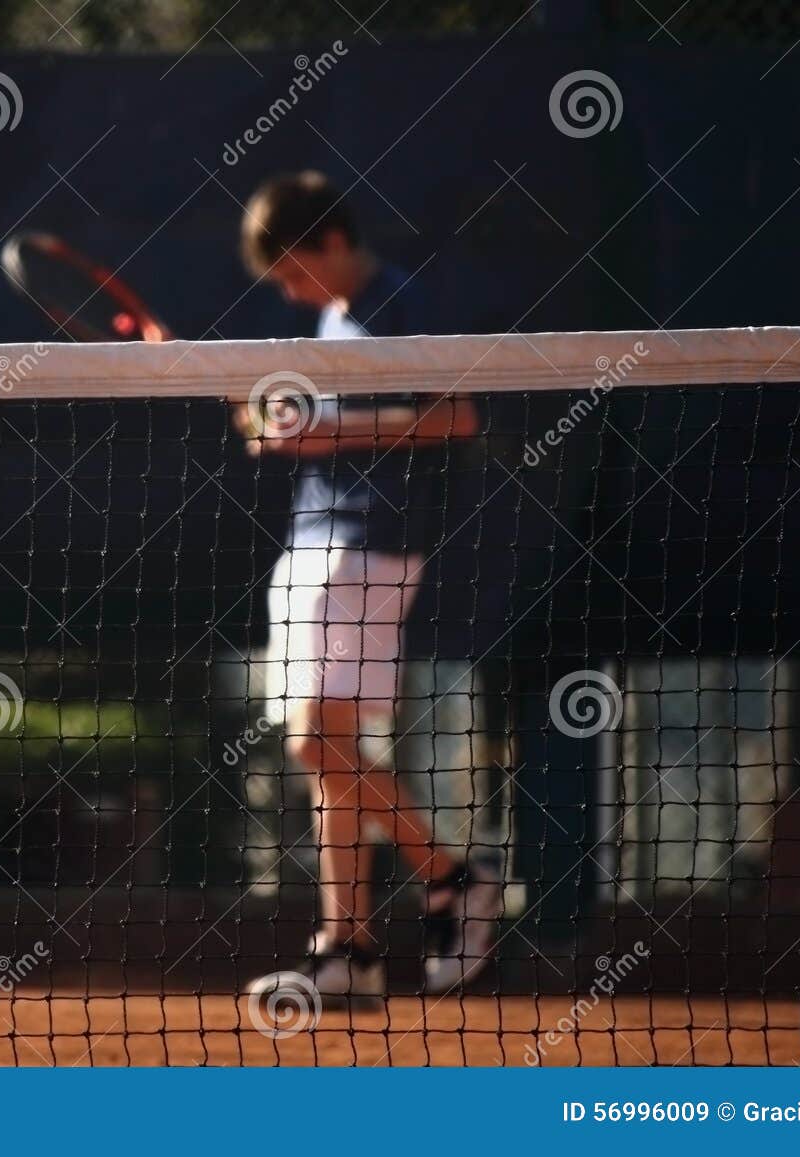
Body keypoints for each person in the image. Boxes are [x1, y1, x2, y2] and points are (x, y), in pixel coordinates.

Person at [235, 171, 505, 1001]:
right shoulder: (332, 316)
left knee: (315, 741)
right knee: (333, 760)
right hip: (310, 543)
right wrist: (288, 428)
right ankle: (347, 947)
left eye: (292, 270)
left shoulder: (400, 300)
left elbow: (457, 414)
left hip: (369, 546)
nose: (289, 290)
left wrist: (325, 431)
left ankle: (455, 877)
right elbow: (330, 429)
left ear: (333, 242)